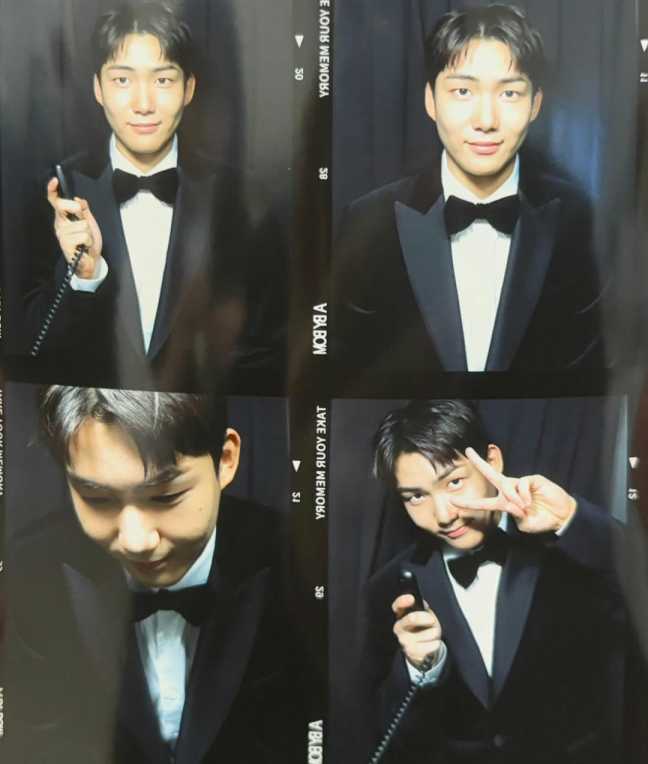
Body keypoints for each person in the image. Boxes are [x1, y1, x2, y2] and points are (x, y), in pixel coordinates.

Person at [6, 387, 303, 763]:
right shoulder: (34, 565)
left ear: (225, 460)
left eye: (165, 497)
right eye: (97, 499)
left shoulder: (295, 561)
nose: (136, 542)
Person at [332, 4, 603, 388]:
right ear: (431, 100)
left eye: (509, 93)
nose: (486, 120)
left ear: (535, 104)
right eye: (462, 91)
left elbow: (591, 375)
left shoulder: (580, 221)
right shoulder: (368, 221)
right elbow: (346, 375)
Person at [24, 1, 285, 391]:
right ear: (97, 89)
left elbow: (271, 351)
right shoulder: (55, 192)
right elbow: (30, 351)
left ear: (189, 89)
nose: (143, 104)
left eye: (163, 80)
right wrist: (84, 277)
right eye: (122, 80)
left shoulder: (241, 199)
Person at [365, 400, 627, 763]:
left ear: (493, 461)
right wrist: (418, 669)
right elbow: (393, 734)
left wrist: (571, 519)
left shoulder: (568, 549)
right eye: (417, 496)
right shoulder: (389, 587)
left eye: (455, 482)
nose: (443, 515)